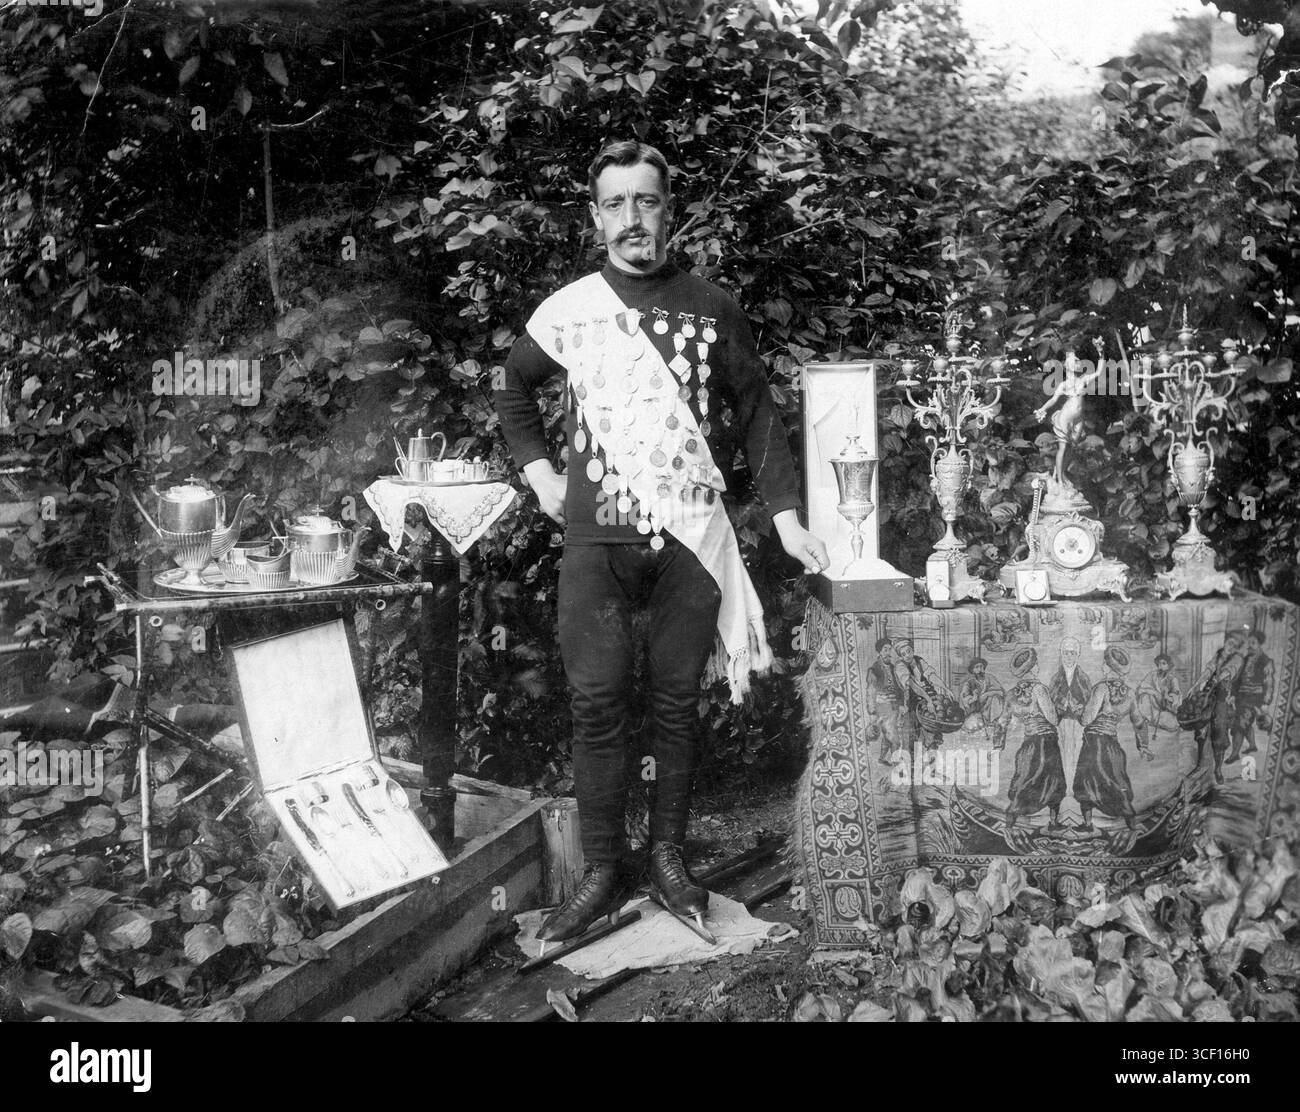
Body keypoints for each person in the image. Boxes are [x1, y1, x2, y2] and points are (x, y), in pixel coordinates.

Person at [493, 141, 828, 944]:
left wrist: (785, 516)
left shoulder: (712, 307)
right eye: (617, 204)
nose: (633, 218)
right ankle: (604, 870)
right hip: (596, 541)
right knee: (599, 702)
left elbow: (755, 412)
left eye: (647, 201)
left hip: (689, 538)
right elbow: (513, 385)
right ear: (596, 216)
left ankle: (671, 858)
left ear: (668, 211)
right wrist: (541, 475)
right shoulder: (571, 309)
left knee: (677, 706)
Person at [1075, 646, 1147, 833]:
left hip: (1094, 746)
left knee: (1086, 785)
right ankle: (1131, 826)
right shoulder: (1130, 693)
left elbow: (1086, 719)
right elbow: (1139, 722)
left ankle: (1088, 825)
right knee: (1118, 785)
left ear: (1107, 667)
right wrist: (1143, 745)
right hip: (1113, 747)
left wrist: (1077, 712)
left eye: (1104, 664)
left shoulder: (1101, 688)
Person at [997, 647, 1066, 833]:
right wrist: (1061, 707)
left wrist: (997, 747)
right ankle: (1053, 822)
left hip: (1028, 746)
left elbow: (1002, 722)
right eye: (1036, 664)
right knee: (1054, 784)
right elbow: (1053, 719)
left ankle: (1009, 826)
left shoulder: (1011, 694)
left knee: (1024, 784)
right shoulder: (1039, 689)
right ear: (1034, 667)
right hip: (1046, 744)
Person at [1033, 353, 1102, 488]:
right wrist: (1042, 408)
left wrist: (1100, 353)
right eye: (1075, 361)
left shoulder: (1084, 379)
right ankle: (1060, 480)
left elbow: (1099, 372)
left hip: (1079, 418)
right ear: (1068, 366)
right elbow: (1053, 399)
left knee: (1073, 447)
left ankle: (1060, 473)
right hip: (1065, 417)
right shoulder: (1064, 384)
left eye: (1078, 360)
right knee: (1063, 448)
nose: (1078, 362)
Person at [1230, 631, 1274, 762]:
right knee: (1246, 723)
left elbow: (1269, 683)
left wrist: (1266, 702)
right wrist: (1232, 694)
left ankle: (1234, 753)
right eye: (1248, 643)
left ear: (1259, 644)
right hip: (1241, 697)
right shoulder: (1245, 659)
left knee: (1239, 725)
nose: (1249, 645)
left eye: (1253, 643)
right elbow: (1237, 679)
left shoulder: (1266, 661)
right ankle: (1253, 746)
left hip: (1254, 699)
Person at [866, 637, 905, 765]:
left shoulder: (894, 669)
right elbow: (871, 692)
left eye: (890, 649)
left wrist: (901, 705)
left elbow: (900, 689)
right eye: (885, 649)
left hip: (894, 708)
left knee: (888, 735)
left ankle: (882, 758)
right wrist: (872, 713)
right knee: (894, 738)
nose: (888, 652)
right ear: (879, 652)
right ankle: (896, 764)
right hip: (882, 708)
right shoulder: (874, 670)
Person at [1134, 653, 1180, 755]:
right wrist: (1154, 693)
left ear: (1169, 666)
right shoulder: (1152, 675)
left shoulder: (1172, 679)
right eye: (1159, 664)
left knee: (1174, 725)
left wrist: (1167, 696)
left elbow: (1176, 696)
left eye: (1164, 664)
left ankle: (1153, 721)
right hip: (1150, 707)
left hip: (1164, 709)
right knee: (1144, 696)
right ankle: (1148, 719)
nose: (1161, 666)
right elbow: (1141, 688)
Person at [959, 656, 1005, 744]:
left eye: (981, 667)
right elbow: (965, 699)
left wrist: (987, 694)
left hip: (992, 710)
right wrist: (973, 698)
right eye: (977, 667)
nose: (980, 669)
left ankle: (992, 723)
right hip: (976, 711)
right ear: (972, 670)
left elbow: (1001, 692)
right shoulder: (969, 683)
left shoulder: (990, 678)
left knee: (994, 697)